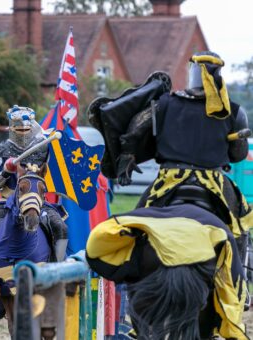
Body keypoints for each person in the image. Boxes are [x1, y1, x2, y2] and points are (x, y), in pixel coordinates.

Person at [88, 51, 252, 307]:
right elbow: (238, 155)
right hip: (213, 183)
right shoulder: (232, 111)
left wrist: (128, 156)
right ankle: (239, 289)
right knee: (239, 225)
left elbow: (135, 129)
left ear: (191, 73)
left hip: (169, 180)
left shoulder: (165, 102)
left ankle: (132, 281)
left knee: (138, 221)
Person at [0, 105, 68, 292]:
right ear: (11, 129)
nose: (23, 134)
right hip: (9, 202)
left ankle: (57, 274)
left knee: (59, 226)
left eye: (27, 129)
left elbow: (59, 167)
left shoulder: (44, 147)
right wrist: (5, 171)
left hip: (37, 201)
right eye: (19, 130)